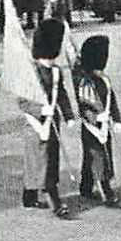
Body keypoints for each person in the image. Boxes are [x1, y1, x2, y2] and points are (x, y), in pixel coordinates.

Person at [19, 18, 75, 217]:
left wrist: (68, 115)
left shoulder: (55, 71)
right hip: (36, 124)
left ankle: (39, 191)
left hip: (53, 123)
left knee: (51, 157)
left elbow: (61, 94)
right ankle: (43, 193)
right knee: (37, 158)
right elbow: (23, 102)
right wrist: (41, 111)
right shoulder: (31, 73)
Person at [73, 34, 121, 205]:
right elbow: (84, 106)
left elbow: (112, 99)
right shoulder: (84, 82)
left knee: (96, 156)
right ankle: (105, 188)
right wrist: (96, 117)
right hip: (91, 126)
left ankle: (86, 186)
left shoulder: (103, 80)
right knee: (98, 156)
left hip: (103, 125)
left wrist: (116, 119)